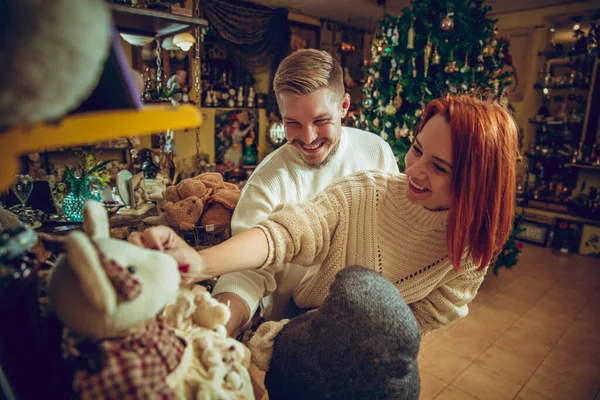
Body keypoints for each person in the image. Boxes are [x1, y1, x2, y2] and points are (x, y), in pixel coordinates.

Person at [130, 93, 518, 335]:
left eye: (440, 168)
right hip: (305, 322)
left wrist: (365, 350)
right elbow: (288, 231)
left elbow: (428, 317)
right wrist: (198, 263)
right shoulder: (366, 191)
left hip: (379, 350)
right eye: (416, 149)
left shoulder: (472, 247)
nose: (414, 170)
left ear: (476, 181)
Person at [214, 49, 398, 334]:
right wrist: (219, 325)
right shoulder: (267, 182)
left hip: (371, 324)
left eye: (320, 120)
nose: (308, 137)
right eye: (293, 123)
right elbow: (247, 271)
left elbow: (393, 233)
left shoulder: (376, 151)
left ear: (344, 106)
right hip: (292, 335)